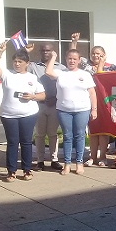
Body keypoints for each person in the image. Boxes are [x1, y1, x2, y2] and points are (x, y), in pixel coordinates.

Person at [0, 42, 45, 182]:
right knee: (12, 142)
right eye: (15, 61)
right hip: (9, 115)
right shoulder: (7, 74)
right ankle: (11, 171)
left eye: (20, 61)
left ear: (27, 63)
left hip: (28, 114)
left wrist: (33, 97)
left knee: (26, 142)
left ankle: (27, 170)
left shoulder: (32, 78)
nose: (17, 64)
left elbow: (43, 95)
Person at [45, 49, 97, 175]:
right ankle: (67, 164)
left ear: (79, 60)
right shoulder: (61, 73)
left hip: (82, 109)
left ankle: (79, 163)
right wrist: (53, 56)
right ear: (66, 59)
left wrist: (94, 109)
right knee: (68, 136)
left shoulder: (85, 75)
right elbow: (48, 71)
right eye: (69, 58)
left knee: (80, 136)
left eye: (74, 59)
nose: (72, 61)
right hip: (64, 110)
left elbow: (92, 92)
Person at [70, 33, 115, 167]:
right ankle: (92, 157)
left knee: (103, 130)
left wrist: (102, 63)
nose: (96, 55)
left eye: (99, 53)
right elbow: (74, 55)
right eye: (94, 53)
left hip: (105, 101)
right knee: (93, 130)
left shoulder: (111, 67)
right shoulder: (85, 65)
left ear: (104, 54)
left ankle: (103, 156)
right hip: (88, 101)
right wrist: (74, 42)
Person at [26, 42, 66, 171]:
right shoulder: (33, 66)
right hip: (39, 104)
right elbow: (22, 70)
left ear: (53, 52)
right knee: (39, 134)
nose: (45, 53)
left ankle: (54, 159)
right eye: (43, 51)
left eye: (48, 50)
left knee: (53, 134)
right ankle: (40, 160)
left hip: (54, 104)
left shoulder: (61, 67)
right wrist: (26, 52)